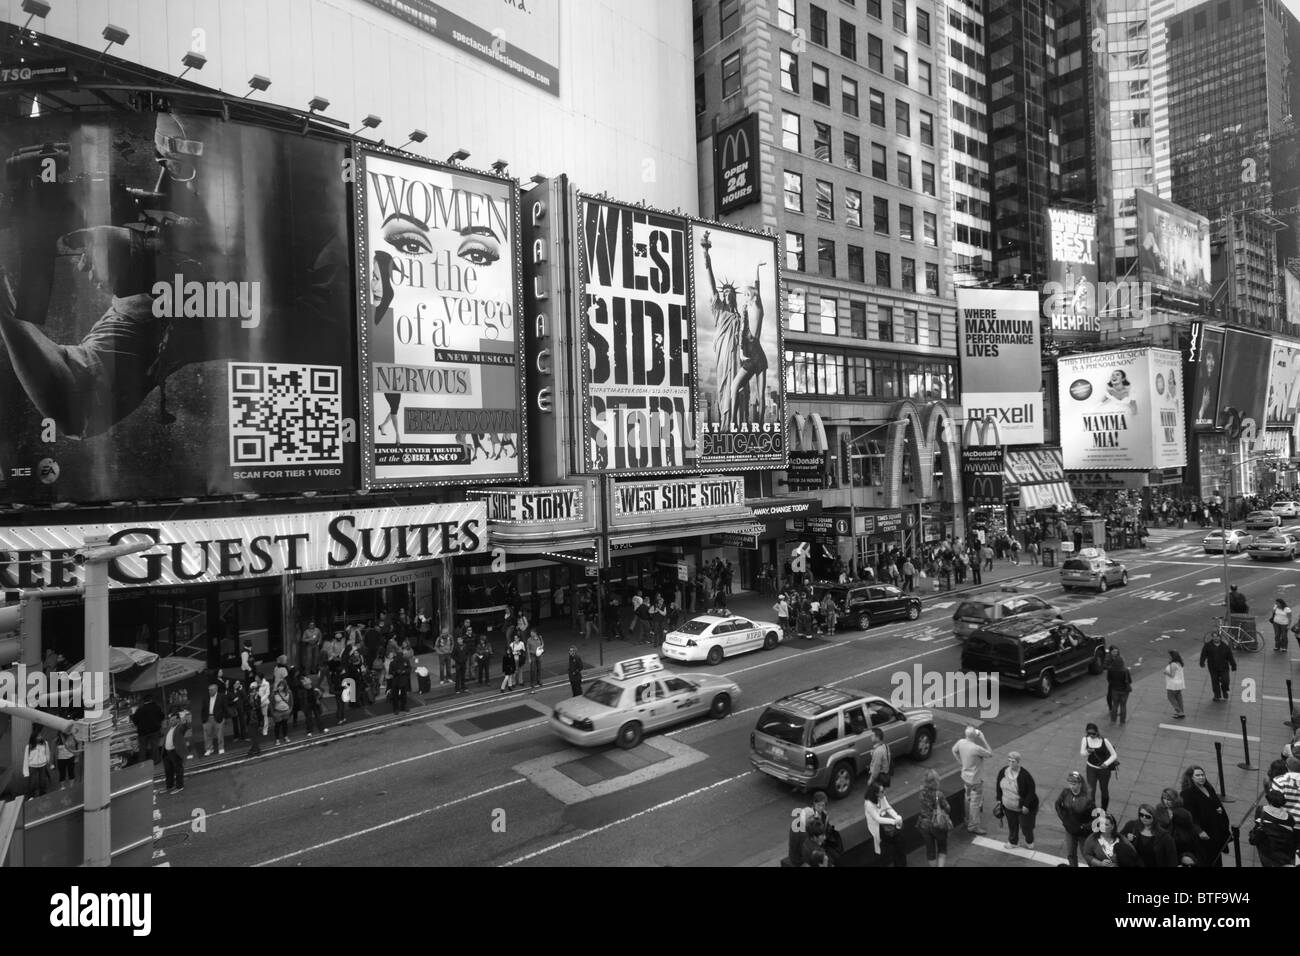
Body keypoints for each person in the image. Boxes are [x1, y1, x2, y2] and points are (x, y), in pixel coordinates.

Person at [1180, 765, 1230, 866]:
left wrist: (1218, 809)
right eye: (1197, 775)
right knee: (1208, 858)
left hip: (1215, 829)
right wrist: (1199, 831)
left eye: (1202, 775)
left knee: (1217, 856)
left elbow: (1214, 801)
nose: (1201, 777)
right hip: (1204, 832)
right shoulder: (1187, 794)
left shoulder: (1208, 787)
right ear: (1191, 778)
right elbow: (1190, 816)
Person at [952, 725, 994, 835]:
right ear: (975, 736)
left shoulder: (961, 742)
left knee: (968, 798)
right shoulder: (975, 748)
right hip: (975, 780)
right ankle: (973, 826)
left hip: (965, 777)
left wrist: (960, 762)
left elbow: (954, 750)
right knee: (975, 804)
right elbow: (990, 753)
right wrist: (983, 738)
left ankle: (967, 819)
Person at [994, 752, 1038, 850]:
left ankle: (1029, 840)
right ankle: (1013, 842)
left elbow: (1031, 791)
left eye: (1013, 761)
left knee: (1026, 827)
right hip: (1008, 806)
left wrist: (1026, 805)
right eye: (1009, 761)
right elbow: (998, 785)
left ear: (1018, 762)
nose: (1010, 763)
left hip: (1023, 807)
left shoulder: (1025, 775)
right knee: (1012, 825)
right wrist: (999, 799)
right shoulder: (1003, 772)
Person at [1055, 770, 1096, 868]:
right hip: (1070, 830)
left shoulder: (1087, 800)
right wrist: (1064, 819)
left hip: (1083, 833)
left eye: (1074, 784)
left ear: (1080, 784)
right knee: (1071, 854)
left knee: (1087, 856)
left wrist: (1083, 827)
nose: (1072, 786)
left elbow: (1095, 818)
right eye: (1070, 783)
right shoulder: (1065, 792)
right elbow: (1057, 805)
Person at [1250, 788, 1299, 867]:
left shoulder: (1260, 810)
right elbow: (1291, 828)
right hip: (1283, 849)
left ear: (1269, 800)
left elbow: (1257, 822)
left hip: (1266, 847)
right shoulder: (1289, 817)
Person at [863, 781, 906, 866]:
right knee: (897, 840)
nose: (884, 793)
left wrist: (897, 816)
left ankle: (900, 862)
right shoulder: (869, 804)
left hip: (885, 822)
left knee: (899, 839)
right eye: (882, 791)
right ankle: (900, 862)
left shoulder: (881, 797)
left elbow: (888, 808)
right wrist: (894, 821)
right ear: (875, 794)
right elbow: (877, 819)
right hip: (877, 826)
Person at [917, 769, 952, 867]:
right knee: (942, 848)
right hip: (937, 824)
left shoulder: (921, 792)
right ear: (936, 781)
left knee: (930, 850)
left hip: (923, 824)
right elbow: (948, 808)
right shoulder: (938, 794)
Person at [1080, 722, 1119, 811]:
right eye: (1089, 733)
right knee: (1091, 791)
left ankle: (1104, 810)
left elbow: (1114, 755)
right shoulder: (1085, 739)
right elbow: (1082, 753)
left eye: (1093, 733)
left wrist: (1106, 763)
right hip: (1091, 768)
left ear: (1097, 732)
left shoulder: (1104, 741)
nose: (1091, 735)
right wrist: (1088, 752)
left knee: (1104, 790)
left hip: (1104, 770)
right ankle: (1092, 810)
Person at [1199, 629, 1237, 703]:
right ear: (1212, 637)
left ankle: (1225, 690)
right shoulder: (1207, 646)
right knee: (1215, 681)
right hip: (1213, 667)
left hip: (1224, 667)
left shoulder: (1225, 647)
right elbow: (1203, 655)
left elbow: (1230, 657)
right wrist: (1202, 662)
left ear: (1220, 637)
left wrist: (1233, 665)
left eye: (1217, 637)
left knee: (1225, 681)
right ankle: (1217, 695)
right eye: (1214, 637)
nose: (1215, 638)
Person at [131, 697, 165, 765]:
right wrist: (157, 722)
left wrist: (139, 724)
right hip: (154, 730)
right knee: (154, 746)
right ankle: (156, 761)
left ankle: (142, 763)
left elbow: (134, 720)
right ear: (151, 700)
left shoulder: (140, 709)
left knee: (142, 747)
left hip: (142, 732)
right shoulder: (156, 707)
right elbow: (162, 716)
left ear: (144, 701)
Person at [161, 713, 189, 794]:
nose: (171, 721)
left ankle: (180, 786)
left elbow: (185, 727)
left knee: (178, 770)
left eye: (173, 720)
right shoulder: (169, 728)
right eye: (170, 720)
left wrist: (184, 722)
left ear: (178, 720)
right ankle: (169, 786)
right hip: (167, 753)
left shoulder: (180, 727)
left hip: (175, 752)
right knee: (168, 771)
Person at [21, 728, 53, 797]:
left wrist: (49, 762)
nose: (40, 737)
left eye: (40, 736)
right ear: (34, 738)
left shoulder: (45, 743)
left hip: (43, 765)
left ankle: (42, 795)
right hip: (32, 766)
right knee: (32, 783)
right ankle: (31, 796)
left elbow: (47, 753)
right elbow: (25, 759)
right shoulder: (29, 746)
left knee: (42, 782)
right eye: (38, 736)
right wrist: (26, 772)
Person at [1104, 647, 1132, 724]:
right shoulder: (1125, 670)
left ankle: (1113, 719)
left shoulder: (1111, 670)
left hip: (1115, 690)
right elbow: (1129, 681)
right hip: (1124, 690)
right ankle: (1122, 720)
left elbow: (1109, 679)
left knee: (1115, 705)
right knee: (1123, 705)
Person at [1164, 649, 1186, 719]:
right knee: (1179, 698)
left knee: (1171, 698)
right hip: (1179, 684)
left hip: (1173, 685)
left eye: (1169, 655)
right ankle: (1181, 712)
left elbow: (1172, 675)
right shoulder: (1180, 663)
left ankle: (1179, 712)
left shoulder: (1173, 664)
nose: (1168, 657)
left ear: (1172, 656)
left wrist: (1165, 672)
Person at [389, 647, 411, 713]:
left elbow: (409, 669)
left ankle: (403, 707)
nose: (400, 655)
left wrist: (404, 671)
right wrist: (396, 672)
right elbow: (390, 671)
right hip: (396, 680)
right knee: (395, 696)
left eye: (401, 653)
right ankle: (396, 708)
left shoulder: (406, 661)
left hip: (403, 680)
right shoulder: (393, 662)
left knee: (404, 695)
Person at [271, 678, 293, 744]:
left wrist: (290, 710)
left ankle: (285, 736)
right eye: (279, 686)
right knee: (277, 726)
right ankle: (277, 739)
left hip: (286, 711)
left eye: (282, 686)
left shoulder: (289, 692)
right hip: (277, 712)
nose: (280, 687)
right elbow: (271, 704)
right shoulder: (274, 693)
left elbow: (291, 701)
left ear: (285, 686)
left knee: (285, 724)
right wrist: (273, 713)